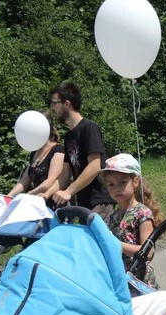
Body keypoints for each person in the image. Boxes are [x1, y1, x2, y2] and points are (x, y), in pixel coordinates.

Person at [46, 82, 115, 221]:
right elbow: (65, 174)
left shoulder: (89, 128)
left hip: (99, 201)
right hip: (84, 203)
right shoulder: (69, 136)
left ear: (67, 104)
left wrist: (68, 192)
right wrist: (46, 194)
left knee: (97, 242)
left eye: (54, 103)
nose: (52, 108)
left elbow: (95, 166)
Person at [102, 153, 163, 289]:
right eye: (111, 184)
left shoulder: (142, 212)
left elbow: (148, 252)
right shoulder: (114, 215)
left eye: (122, 182)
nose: (116, 188)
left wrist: (117, 245)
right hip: (121, 279)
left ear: (135, 182)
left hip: (140, 281)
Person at [7, 110, 65, 207]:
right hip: (36, 203)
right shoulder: (34, 153)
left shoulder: (58, 151)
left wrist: (26, 197)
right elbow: (25, 180)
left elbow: (49, 182)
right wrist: (9, 197)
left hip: (53, 205)